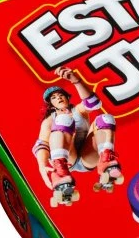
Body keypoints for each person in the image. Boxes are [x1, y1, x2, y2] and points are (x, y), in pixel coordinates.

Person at [32, 67, 122, 195]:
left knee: (105, 118)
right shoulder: (49, 121)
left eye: (61, 95)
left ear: (67, 98)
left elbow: (94, 103)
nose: (59, 98)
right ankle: (61, 175)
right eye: (54, 97)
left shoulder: (78, 110)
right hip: (68, 158)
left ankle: (106, 161)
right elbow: (42, 144)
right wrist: (42, 165)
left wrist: (76, 81)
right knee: (63, 120)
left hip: (87, 155)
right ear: (51, 105)